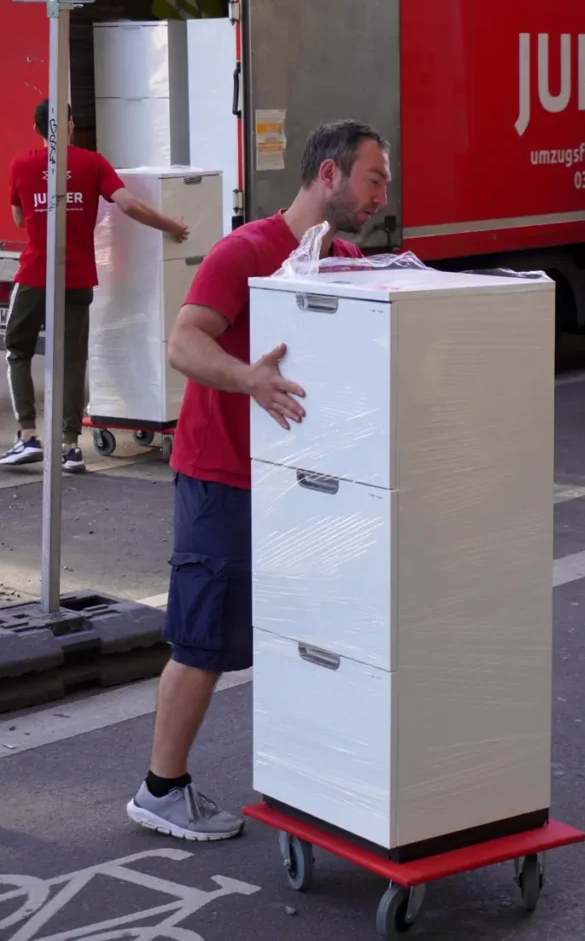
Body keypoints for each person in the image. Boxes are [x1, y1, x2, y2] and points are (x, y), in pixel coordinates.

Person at [127, 119, 391, 841]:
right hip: (223, 478)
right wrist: (249, 380)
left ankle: (314, 778)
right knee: (204, 638)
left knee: (307, 636)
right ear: (329, 175)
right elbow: (184, 341)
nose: (380, 197)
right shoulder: (246, 251)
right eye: (373, 179)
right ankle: (161, 788)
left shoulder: (339, 259)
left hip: (300, 481)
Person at [1, 99, 189, 473]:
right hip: (78, 276)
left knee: (16, 350)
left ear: (38, 129)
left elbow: (19, 220)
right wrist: (171, 225)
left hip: (36, 274)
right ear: (70, 125)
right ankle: (70, 446)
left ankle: (27, 436)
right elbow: (129, 204)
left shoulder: (21, 165)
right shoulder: (93, 163)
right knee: (72, 358)